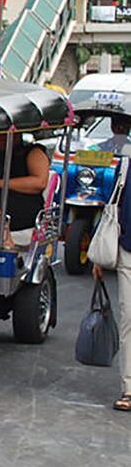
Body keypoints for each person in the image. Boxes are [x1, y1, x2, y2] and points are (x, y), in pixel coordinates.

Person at [92, 156, 131, 412]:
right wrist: (99, 257)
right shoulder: (126, 164)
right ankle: (129, 388)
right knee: (129, 318)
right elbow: (112, 207)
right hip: (128, 250)